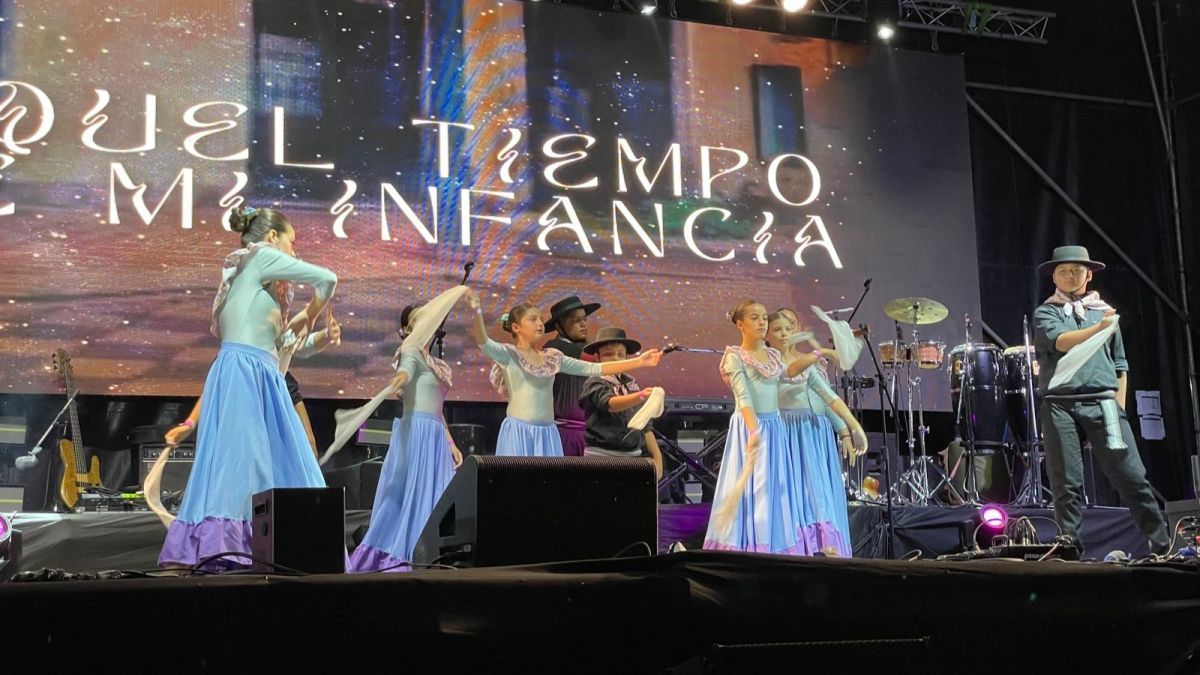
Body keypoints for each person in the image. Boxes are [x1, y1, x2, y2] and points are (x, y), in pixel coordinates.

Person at [158, 206, 337, 569]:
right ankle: (236, 547)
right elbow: (327, 279)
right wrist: (315, 312)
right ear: (272, 237)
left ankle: (262, 547)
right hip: (246, 373)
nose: (293, 250)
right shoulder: (260, 258)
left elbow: (281, 346)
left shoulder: (256, 283)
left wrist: (316, 335)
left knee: (265, 464)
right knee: (244, 462)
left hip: (259, 375)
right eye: (292, 240)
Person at [1033, 245, 1169, 555]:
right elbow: (1062, 342)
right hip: (1060, 403)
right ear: (1054, 275)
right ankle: (1070, 546)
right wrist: (1100, 327)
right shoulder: (1047, 311)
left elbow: (1120, 366)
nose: (1070, 275)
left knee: (1131, 475)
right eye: (1064, 270)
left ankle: (1162, 543)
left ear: (1089, 274)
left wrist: (1118, 406)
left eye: (1077, 270)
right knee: (1066, 480)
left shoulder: (1105, 313)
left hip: (1103, 401)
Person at [704, 299, 861, 554]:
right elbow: (746, 397)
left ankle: (795, 547)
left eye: (765, 317)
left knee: (791, 495)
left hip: (793, 432)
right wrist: (754, 430)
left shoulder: (780, 359)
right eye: (757, 319)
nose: (764, 323)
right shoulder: (743, 358)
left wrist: (846, 428)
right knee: (763, 493)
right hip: (768, 430)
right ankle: (755, 547)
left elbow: (810, 383)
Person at [466, 290, 662, 456]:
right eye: (533, 319)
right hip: (519, 432)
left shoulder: (552, 357)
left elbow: (595, 368)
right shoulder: (509, 354)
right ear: (516, 327)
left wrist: (639, 361)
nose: (540, 323)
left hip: (548, 434)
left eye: (541, 319)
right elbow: (483, 341)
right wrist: (476, 311)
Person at [348, 303, 463, 572]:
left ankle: (430, 553)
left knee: (436, 497)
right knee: (406, 496)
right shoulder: (409, 351)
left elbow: (437, 406)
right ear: (407, 329)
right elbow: (405, 372)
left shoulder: (435, 362)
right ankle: (400, 556)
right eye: (417, 319)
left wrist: (450, 441)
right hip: (416, 434)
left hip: (434, 435)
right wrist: (400, 380)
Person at [164, 309, 342, 458]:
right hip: (241, 439)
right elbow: (211, 392)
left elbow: (304, 342)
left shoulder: (281, 372)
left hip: (278, 428)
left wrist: (327, 335)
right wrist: (189, 425)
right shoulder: (231, 360)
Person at [767, 310, 868, 557]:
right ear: (767, 334)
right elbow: (787, 373)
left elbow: (827, 397)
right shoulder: (767, 363)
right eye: (778, 328)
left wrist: (850, 427)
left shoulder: (809, 365)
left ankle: (823, 543)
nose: (785, 332)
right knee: (790, 493)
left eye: (789, 326)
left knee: (816, 489)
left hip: (809, 433)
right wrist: (820, 352)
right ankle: (794, 546)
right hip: (784, 434)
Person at [578, 327, 664, 479]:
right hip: (600, 460)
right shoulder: (594, 383)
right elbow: (611, 404)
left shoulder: (631, 386)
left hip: (633, 459)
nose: (615, 359)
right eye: (608, 354)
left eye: (620, 354)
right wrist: (641, 396)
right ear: (597, 358)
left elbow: (645, 426)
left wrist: (657, 459)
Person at [545, 296, 601, 457]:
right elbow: (593, 359)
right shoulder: (554, 348)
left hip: (587, 433)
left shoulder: (581, 348)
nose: (583, 324)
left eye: (584, 319)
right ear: (559, 326)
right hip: (565, 434)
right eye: (576, 321)